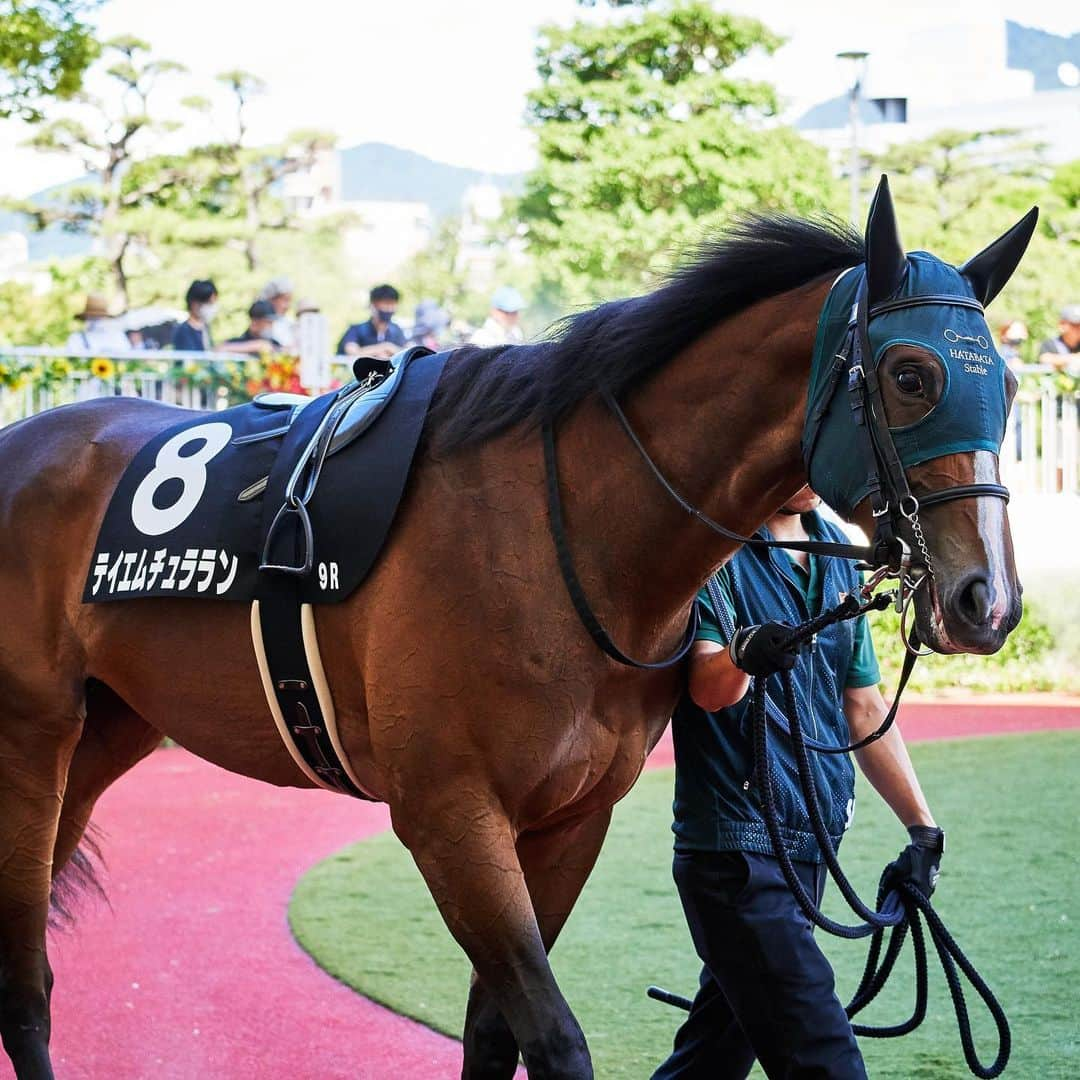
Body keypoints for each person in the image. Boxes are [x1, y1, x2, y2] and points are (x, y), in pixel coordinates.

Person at [653, 485, 943, 1080]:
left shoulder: (837, 551)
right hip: (736, 855)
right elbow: (708, 690)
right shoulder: (713, 550)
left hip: (811, 849)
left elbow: (863, 705)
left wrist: (923, 829)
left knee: (710, 1061)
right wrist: (745, 654)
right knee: (826, 1062)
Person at [337, 284, 406, 359]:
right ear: (373, 305)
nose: (389, 309)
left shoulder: (396, 331)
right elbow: (352, 352)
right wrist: (384, 347)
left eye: (392, 304)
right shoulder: (356, 330)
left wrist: (389, 349)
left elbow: (408, 352)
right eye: (386, 304)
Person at [65, 294, 130, 353]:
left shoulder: (118, 337)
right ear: (87, 317)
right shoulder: (76, 338)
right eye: (92, 316)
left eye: (99, 317)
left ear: (106, 318)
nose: (96, 320)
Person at [172, 280, 218, 352]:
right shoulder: (184, 331)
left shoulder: (205, 328)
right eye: (209, 303)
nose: (212, 308)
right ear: (194, 303)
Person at [1038, 305, 1080, 369]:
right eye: (1075, 325)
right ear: (1062, 324)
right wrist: (1074, 358)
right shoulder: (1050, 344)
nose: (1078, 328)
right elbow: (1045, 359)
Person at [260, 276, 296, 350]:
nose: (287, 306)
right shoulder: (260, 322)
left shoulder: (289, 323)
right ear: (271, 299)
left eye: (290, 300)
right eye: (285, 300)